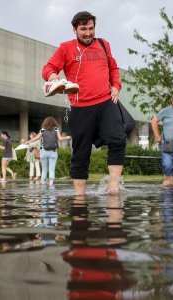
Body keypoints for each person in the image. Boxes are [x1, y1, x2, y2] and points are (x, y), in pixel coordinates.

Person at [42, 11, 125, 195]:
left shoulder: (104, 45)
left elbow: (113, 68)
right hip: (80, 108)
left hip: (106, 101)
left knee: (118, 139)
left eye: (91, 28)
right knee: (81, 152)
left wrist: (116, 85)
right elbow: (48, 68)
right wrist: (54, 76)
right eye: (83, 29)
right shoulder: (66, 48)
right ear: (74, 30)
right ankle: (79, 196)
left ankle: (113, 188)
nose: (88, 33)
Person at [24, 117, 70, 186]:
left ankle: (43, 183)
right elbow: (60, 139)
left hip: (43, 151)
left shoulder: (42, 130)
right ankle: (51, 184)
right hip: (53, 152)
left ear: (45, 122)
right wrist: (67, 137)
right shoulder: (56, 129)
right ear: (54, 123)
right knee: (52, 169)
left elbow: (36, 138)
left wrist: (27, 142)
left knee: (44, 169)